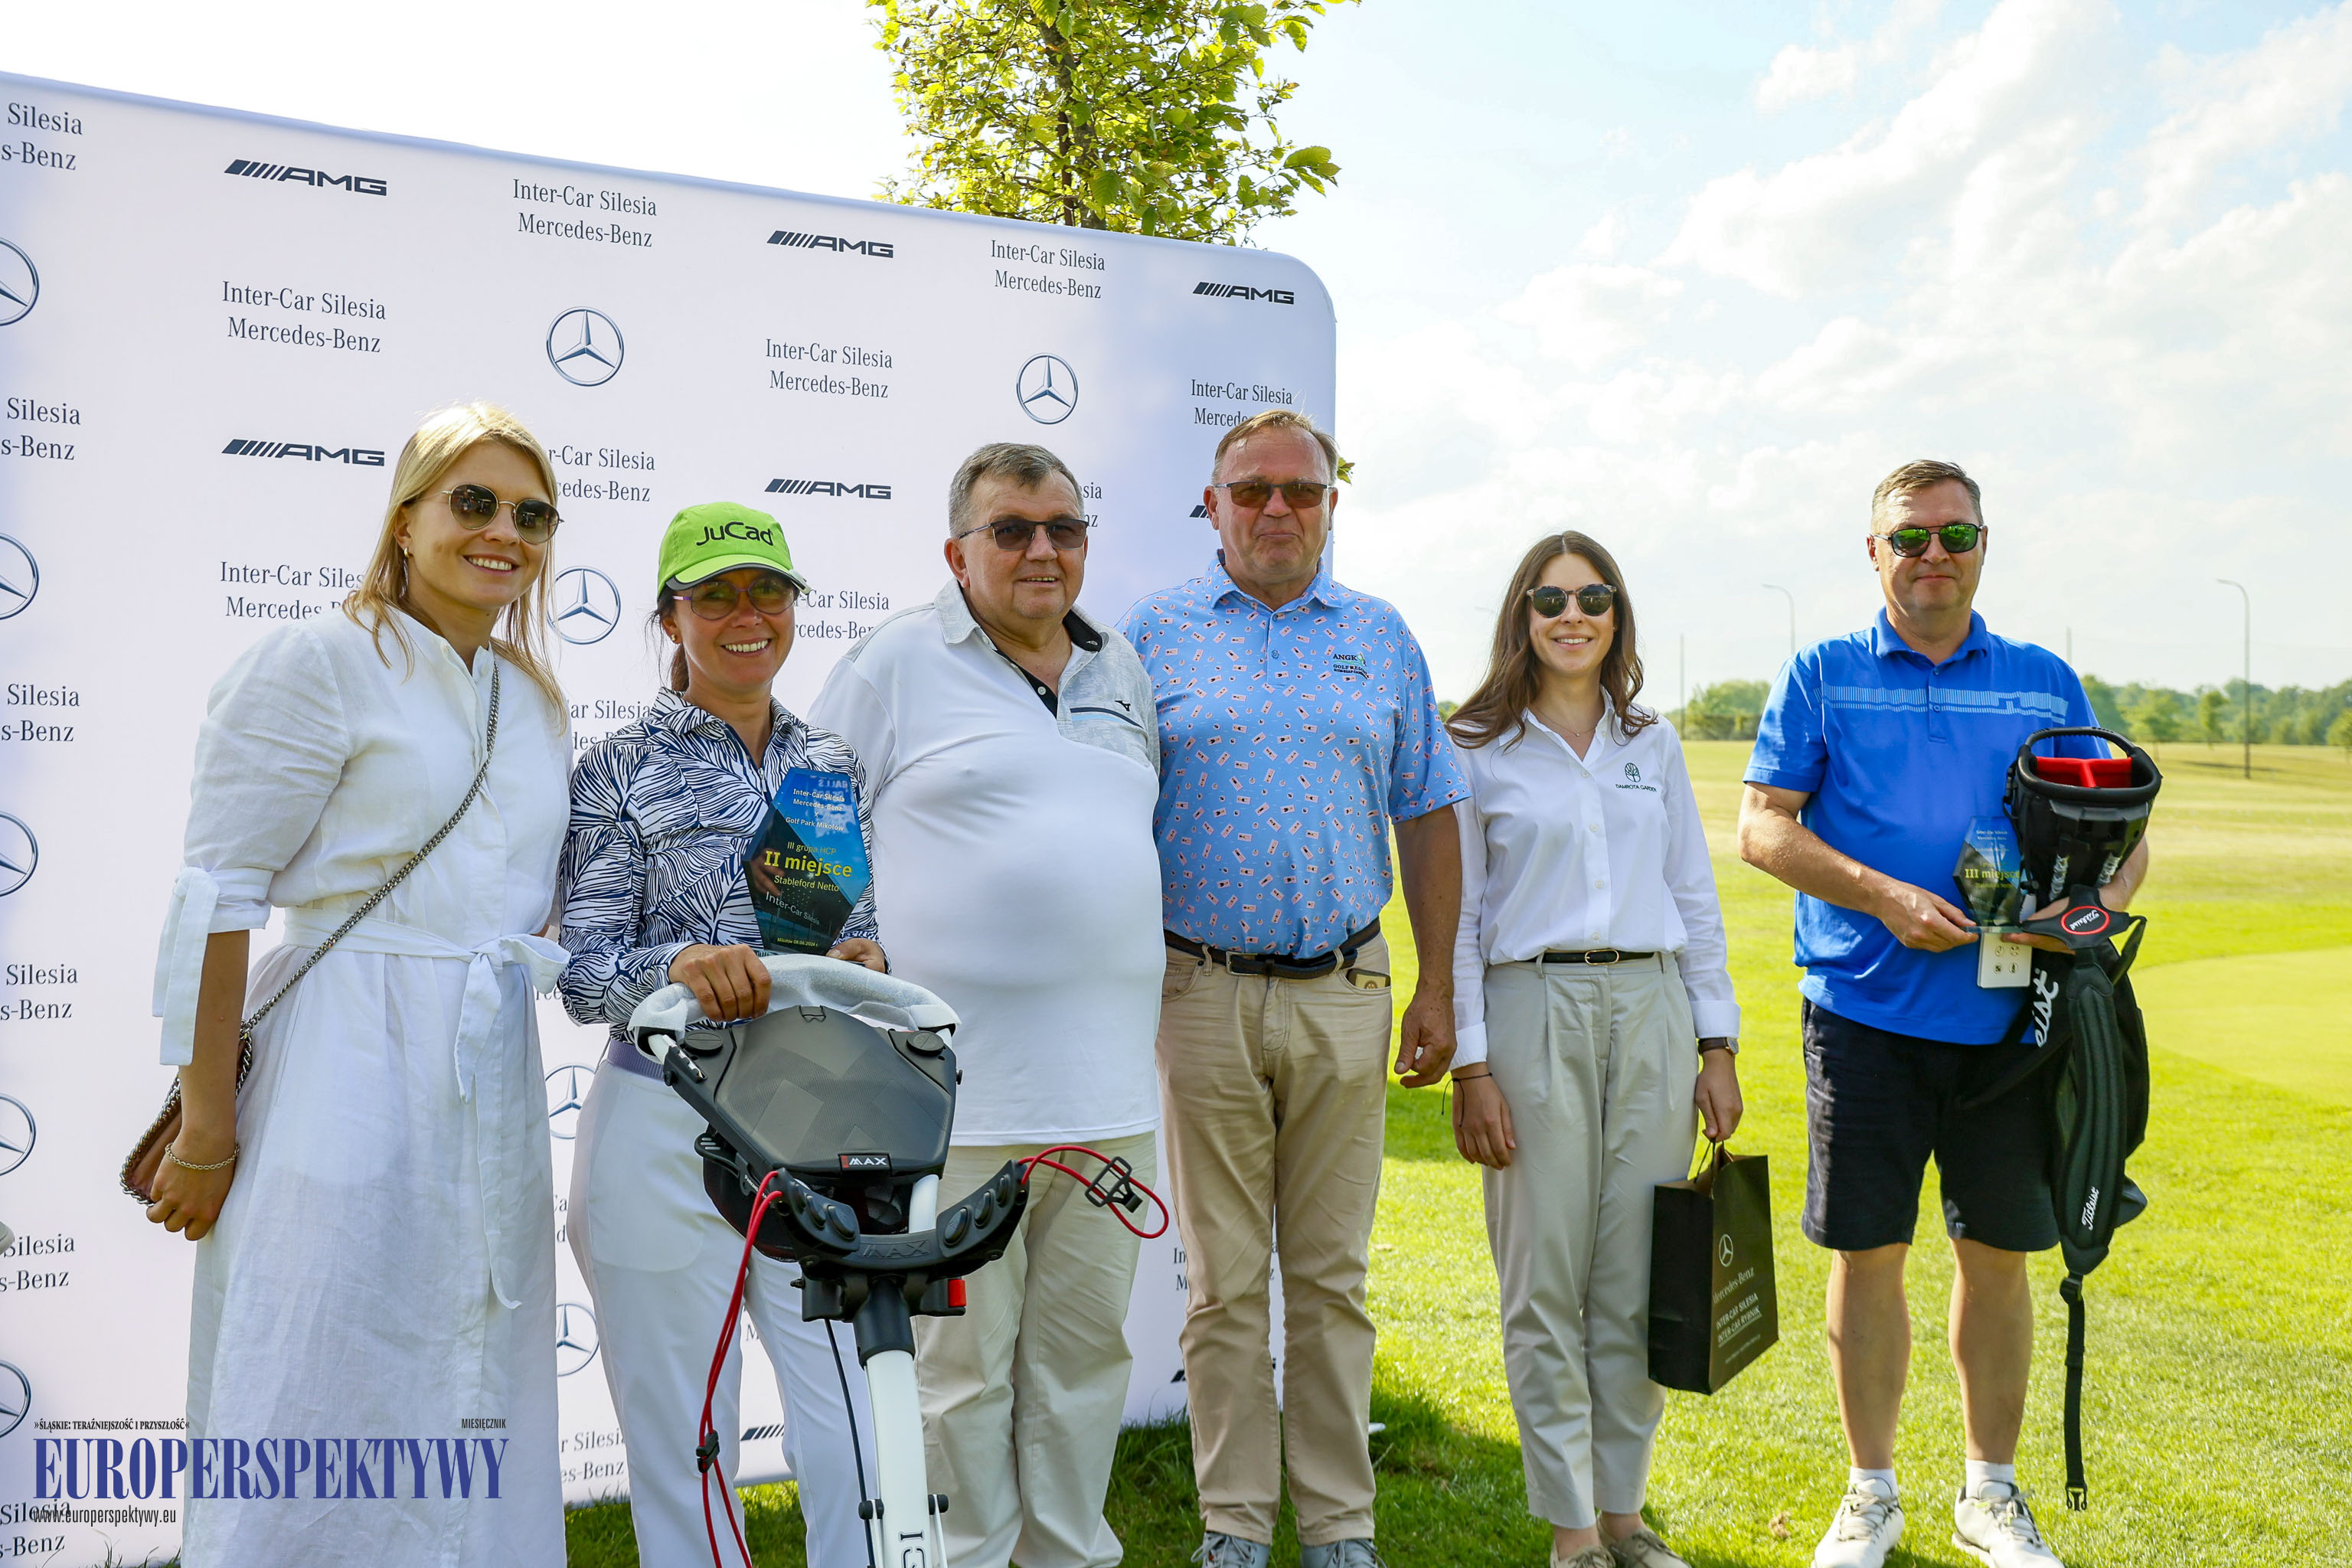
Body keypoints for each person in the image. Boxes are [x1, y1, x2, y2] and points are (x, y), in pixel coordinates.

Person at [145, 402, 572, 1565]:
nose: (505, 533)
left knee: (477, 1361)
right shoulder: (319, 660)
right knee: (321, 1355)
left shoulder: (531, 700)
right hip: (343, 1055)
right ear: (406, 516)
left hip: (489, 1075)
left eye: (532, 514)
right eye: (472, 502)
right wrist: (205, 1127)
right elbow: (217, 898)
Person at [1736, 461, 2150, 1568]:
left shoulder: (2042, 679)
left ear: (1983, 547)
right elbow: (1762, 828)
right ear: (1872, 553)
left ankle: (1989, 1496)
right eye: (1909, 538)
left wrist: (2097, 910)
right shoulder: (1821, 673)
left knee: (2000, 1258)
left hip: (2014, 1028)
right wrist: (1879, 895)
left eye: (1955, 535)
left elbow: (2126, 829)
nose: (1933, 555)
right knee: (1869, 1253)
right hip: (1863, 1016)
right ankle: (1871, 1496)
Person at [1119, 408, 1468, 1568]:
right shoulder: (1149, 636)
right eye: (1253, 491)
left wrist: (1436, 990)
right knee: (1223, 1288)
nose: (1278, 510)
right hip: (1198, 990)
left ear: (1329, 507)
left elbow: (1426, 810)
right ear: (1211, 507)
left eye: (1302, 493)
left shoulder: (1381, 635)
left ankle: (1337, 1526)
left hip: (1345, 988)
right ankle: (1231, 1524)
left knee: (1332, 1279)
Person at [808, 443, 1164, 1568]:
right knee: (958, 1383)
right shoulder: (893, 663)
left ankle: (1068, 1555)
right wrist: (843, 946)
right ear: (956, 552)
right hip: (954, 1109)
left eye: (1064, 526)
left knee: (1082, 1366)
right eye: (1011, 529)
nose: (1043, 550)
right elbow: (807, 844)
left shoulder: (1122, 672)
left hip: (1107, 1102)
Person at [557, 502, 883, 1568]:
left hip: (811, 1119)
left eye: (768, 592)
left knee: (855, 1426)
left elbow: (853, 935)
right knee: (686, 1445)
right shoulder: (617, 765)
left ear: (792, 608)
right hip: (665, 1119)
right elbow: (584, 971)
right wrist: (680, 968)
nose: (747, 617)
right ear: (671, 618)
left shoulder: (826, 760)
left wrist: (864, 966)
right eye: (715, 596)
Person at [1447, 534, 1743, 1568]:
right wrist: (1471, 1067)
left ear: (1617, 615)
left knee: (1632, 1284)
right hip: (1532, 1011)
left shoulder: (1650, 743)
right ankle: (1574, 1534)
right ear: (1522, 616)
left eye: (1594, 597)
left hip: (1655, 1011)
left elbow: (1694, 898)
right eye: (1550, 599)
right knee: (1544, 1286)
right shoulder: (1475, 748)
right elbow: (1460, 920)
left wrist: (1718, 1043)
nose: (1573, 615)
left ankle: (1625, 1516)